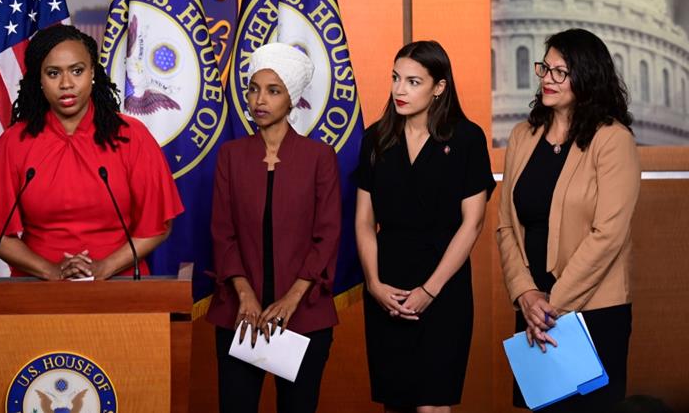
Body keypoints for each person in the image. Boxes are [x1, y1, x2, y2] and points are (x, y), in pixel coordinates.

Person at [496, 28, 640, 412]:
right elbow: (506, 225)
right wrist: (526, 294)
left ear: (587, 77)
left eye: (561, 72)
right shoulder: (522, 136)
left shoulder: (613, 139)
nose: (547, 78)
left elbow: (608, 234)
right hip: (533, 309)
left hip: (593, 311)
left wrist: (552, 306)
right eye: (545, 68)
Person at [0, 24, 183, 280]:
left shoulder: (132, 137)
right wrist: (50, 270)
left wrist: (104, 267)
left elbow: (159, 225)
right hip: (37, 289)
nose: (66, 83)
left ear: (92, 72)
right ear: (38, 78)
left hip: (121, 286)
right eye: (53, 73)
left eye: (77, 71)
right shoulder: (14, 143)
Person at [355, 41, 495, 413]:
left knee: (433, 405)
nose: (399, 90)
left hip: (444, 286)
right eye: (396, 78)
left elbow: (473, 223)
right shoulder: (375, 138)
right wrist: (373, 284)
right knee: (396, 404)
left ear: (439, 87)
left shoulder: (466, 138)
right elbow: (364, 221)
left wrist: (430, 290)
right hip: (388, 285)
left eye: (413, 81)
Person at [205, 42, 341, 413]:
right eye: (253, 89)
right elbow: (222, 232)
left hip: (304, 317)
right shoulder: (230, 156)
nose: (259, 99)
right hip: (239, 314)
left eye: (273, 90)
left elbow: (327, 234)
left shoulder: (319, 157)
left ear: (292, 99)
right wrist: (245, 294)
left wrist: (291, 299)